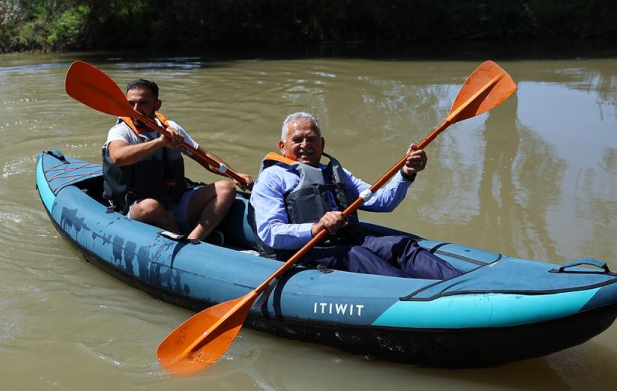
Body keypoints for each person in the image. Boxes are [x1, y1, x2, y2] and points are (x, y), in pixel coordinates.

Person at [249, 112, 462, 280]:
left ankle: (461, 284)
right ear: (282, 146)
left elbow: (383, 201)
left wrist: (406, 172)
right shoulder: (272, 178)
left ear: (321, 144)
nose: (305, 145)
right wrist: (316, 227)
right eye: (297, 140)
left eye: (311, 139)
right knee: (358, 256)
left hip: (347, 238)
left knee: (402, 246)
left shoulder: (336, 173)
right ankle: (428, 298)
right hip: (304, 250)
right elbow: (270, 232)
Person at [103, 78, 252, 242]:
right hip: (137, 206)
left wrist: (234, 174)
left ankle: (194, 239)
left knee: (226, 188)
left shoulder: (172, 129)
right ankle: (181, 237)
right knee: (150, 206)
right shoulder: (120, 131)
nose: (136, 109)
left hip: (175, 200)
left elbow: (205, 158)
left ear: (157, 105)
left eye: (143, 103)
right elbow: (118, 157)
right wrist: (159, 143)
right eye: (131, 104)